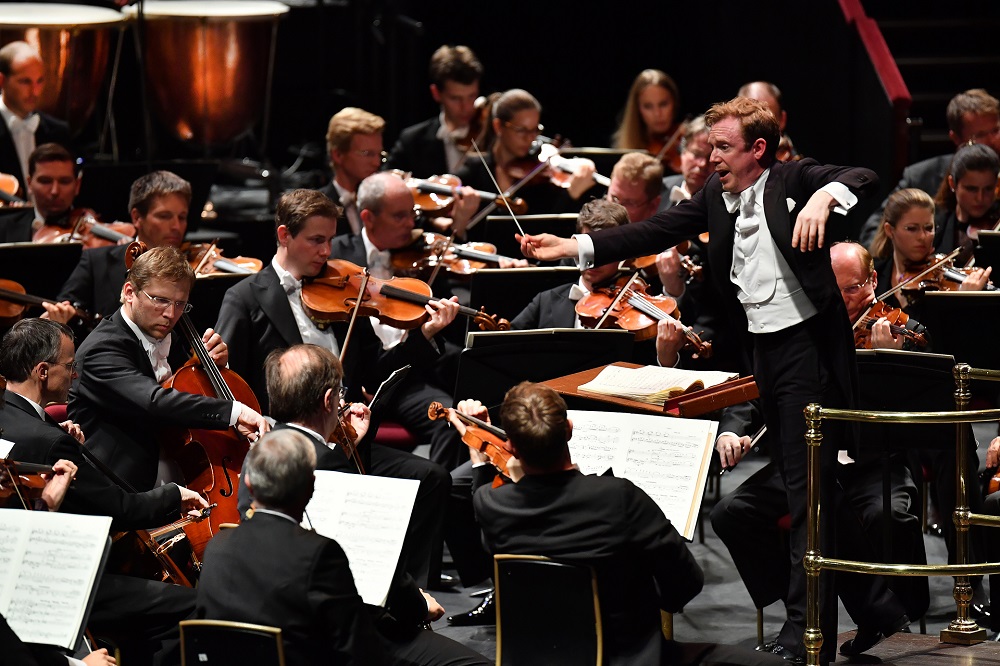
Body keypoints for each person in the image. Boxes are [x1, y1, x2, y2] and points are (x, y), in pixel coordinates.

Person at [520, 96, 879, 664]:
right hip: (762, 351)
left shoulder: (792, 176)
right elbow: (653, 229)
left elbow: (862, 174)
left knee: (807, 493)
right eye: (711, 145)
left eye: (723, 147)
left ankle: (807, 632)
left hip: (807, 352)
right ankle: (872, 608)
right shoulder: (715, 194)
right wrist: (574, 246)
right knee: (800, 489)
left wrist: (821, 198)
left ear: (758, 149)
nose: (711, 157)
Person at [466, 381, 782, 666]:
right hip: (627, 655)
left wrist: (478, 456)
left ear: (511, 446)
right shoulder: (618, 497)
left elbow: (485, 496)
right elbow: (686, 583)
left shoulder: (492, 505)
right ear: (570, 429)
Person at [0, 317, 207, 666]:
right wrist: (174, 494)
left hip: (16, 577)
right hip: (65, 584)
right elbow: (119, 508)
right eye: (69, 365)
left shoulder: (12, 416)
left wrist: (57, 433)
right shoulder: (49, 441)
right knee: (193, 605)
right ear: (42, 371)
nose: (76, 374)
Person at [198, 427, 490, 666]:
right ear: (311, 488)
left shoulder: (216, 548)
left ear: (248, 482)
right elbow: (359, 649)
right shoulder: (319, 553)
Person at [69, 245, 269, 491]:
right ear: (130, 292)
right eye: (161, 300)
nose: (171, 314)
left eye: (180, 304)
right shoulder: (101, 350)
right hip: (126, 492)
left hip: (187, 476)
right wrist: (235, 412)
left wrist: (214, 367)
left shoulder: (173, 338)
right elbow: (154, 402)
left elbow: (188, 395)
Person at [329, 171, 469, 469]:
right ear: (368, 217)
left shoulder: (421, 260)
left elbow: (447, 332)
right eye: (399, 216)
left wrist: (429, 331)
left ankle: (447, 493)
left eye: (413, 214)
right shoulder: (337, 258)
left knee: (452, 418)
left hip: (406, 375)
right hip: (359, 381)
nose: (411, 224)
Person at [511, 198, 688, 368]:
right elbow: (507, 345)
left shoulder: (637, 313)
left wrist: (667, 358)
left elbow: (654, 372)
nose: (593, 262)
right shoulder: (546, 301)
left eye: (604, 252)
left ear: (623, 250)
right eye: (589, 251)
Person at [859, 88, 1000, 247]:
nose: (992, 142)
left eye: (996, 131)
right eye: (979, 135)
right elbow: (873, 232)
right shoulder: (922, 176)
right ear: (956, 138)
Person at [58, 170, 191, 320]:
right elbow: (63, 308)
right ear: (137, 217)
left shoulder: (192, 268)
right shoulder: (96, 261)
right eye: (164, 216)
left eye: (182, 217)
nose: (176, 226)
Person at [455, 88, 597, 216]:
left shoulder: (539, 176)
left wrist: (570, 195)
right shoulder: (473, 171)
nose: (530, 138)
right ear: (498, 126)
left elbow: (547, 228)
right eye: (521, 130)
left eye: (535, 129)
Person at [869, 188, 991, 311]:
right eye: (912, 228)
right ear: (890, 230)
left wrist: (963, 302)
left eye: (928, 228)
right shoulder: (873, 278)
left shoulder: (943, 280)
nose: (923, 237)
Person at [386, 44, 484, 176]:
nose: (466, 107)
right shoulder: (413, 141)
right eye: (455, 98)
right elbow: (384, 182)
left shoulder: (490, 134)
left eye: (472, 96)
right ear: (436, 93)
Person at [0, 41, 71, 195]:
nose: (35, 91)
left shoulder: (58, 131)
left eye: (39, 81)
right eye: (25, 82)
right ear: (2, 81)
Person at [320, 107, 387, 237]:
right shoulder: (318, 210)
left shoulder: (383, 202)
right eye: (368, 154)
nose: (377, 163)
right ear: (338, 155)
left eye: (379, 154)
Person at [0, 142, 79, 243]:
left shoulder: (90, 235)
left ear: (77, 185)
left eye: (64, 182)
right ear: (29, 184)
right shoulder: (3, 228)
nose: (55, 191)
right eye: (45, 181)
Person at [933, 142, 1000, 254]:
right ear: (952, 184)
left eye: (988, 189)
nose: (980, 198)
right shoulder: (936, 224)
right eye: (971, 189)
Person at [612, 69, 683, 172]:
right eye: (648, 106)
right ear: (637, 109)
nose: (657, 114)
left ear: (674, 103)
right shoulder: (627, 149)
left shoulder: (684, 135)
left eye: (663, 104)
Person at [738, 82, 797, 161]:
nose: (759, 129)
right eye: (751, 120)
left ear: (782, 119)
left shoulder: (796, 166)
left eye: (768, 120)